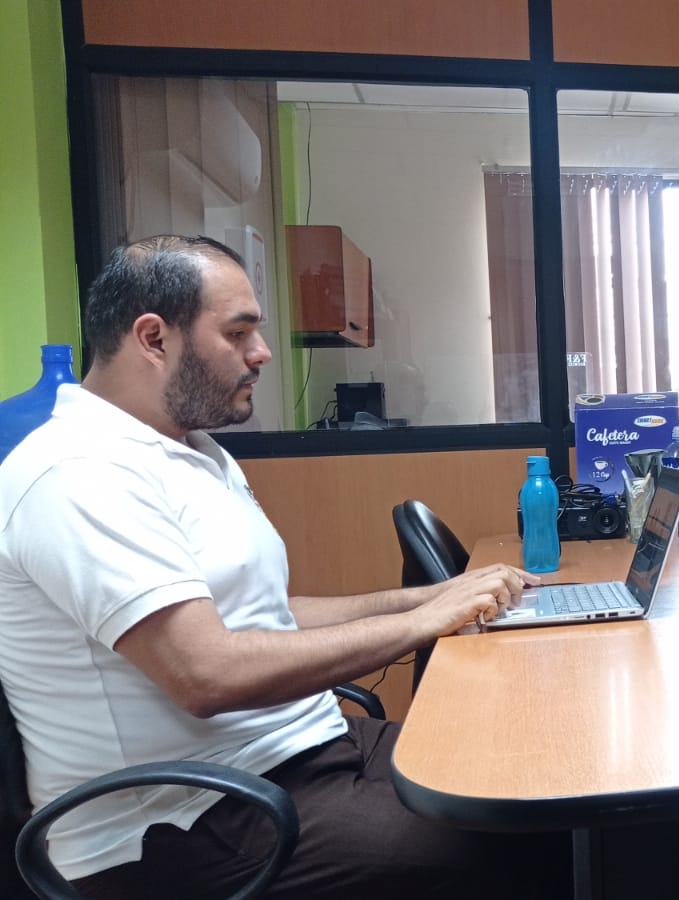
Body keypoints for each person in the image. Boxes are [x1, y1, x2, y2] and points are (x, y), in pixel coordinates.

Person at [0, 236, 562, 898]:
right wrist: (422, 625)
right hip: (183, 822)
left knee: (534, 772)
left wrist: (426, 599)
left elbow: (259, 614)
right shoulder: (79, 473)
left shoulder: (189, 450)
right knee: (529, 838)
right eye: (238, 333)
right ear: (153, 339)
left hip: (298, 752)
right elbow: (206, 673)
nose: (262, 352)